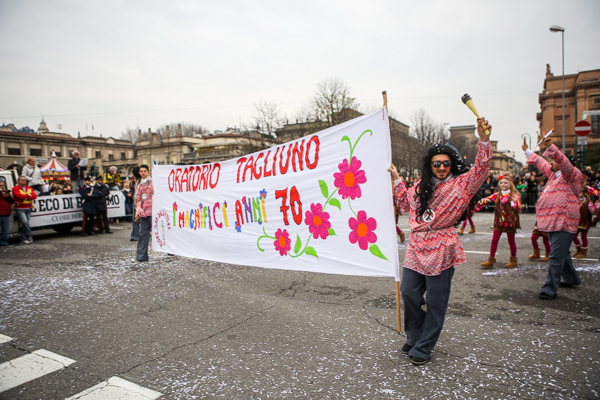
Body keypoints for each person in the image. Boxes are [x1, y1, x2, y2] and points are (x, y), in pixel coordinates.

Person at [389, 117, 492, 365]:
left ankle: (423, 346)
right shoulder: (419, 188)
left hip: (443, 247)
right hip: (416, 247)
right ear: (430, 165)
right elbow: (404, 200)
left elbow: (481, 168)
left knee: (436, 301)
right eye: (437, 163)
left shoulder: (461, 185)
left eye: (446, 163)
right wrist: (394, 176)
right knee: (409, 293)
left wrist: (484, 140)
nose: (442, 167)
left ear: (451, 165)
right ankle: (415, 335)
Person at [523, 133, 584, 300]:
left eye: (554, 161)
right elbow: (541, 163)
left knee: (556, 254)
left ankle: (550, 288)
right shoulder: (553, 175)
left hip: (565, 220)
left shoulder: (572, 175)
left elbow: (563, 163)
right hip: (551, 220)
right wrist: (527, 151)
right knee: (561, 253)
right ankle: (572, 278)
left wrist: (551, 148)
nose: (551, 163)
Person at [477, 175, 521, 268]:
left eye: (505, 183)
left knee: (511, 241)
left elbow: (519, 207)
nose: (503, 184)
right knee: (494, 241)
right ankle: (490, 261)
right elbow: (487, 199)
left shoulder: (514, 194)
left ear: (510, 184)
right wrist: (477, 203)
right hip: (499, 221)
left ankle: (513, 261)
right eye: (501, 183)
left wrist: (514, 202)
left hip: (510, 221)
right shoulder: (497, 194)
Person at [571, 186, 597, 259]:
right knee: (573, 236)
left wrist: (596, 208)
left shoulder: (588, 202)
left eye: (579, 192)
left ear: (584, 193)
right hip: (577, 222)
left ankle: (583, 252)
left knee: (583, 237)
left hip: (585, 223)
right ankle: (579, 250)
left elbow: (593, 211)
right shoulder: (577, 200)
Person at [135, 164, 153, 262]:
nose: (143, 173)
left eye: (144, 171)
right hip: (144, 213)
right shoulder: (139, 185)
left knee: (163, 232)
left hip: (153, 212)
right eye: (141, 171)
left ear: (148, 172)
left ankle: (171, 252)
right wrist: (139, 210)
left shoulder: (152, 183)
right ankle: (141, 256)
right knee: (143, 234)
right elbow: (138, 199)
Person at [12, 176, 37, 245]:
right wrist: (28, 196)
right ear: (18, 181)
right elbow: (17, 196)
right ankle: (29, 235)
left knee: (25, 224)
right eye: (22, 180)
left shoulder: (29, 188)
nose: (24, 181)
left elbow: (34, 196)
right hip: (20, 208)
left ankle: (23, 238)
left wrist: (26, 197)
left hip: (28, 207)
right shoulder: (15, 188)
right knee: (25, 223)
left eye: (25, 180)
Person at [0, 181, 14, 247]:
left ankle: (4, 242)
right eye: (0, 185)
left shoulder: (6, 192)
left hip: (6, 213)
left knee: (5, 230)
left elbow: (11, 201)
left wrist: (6, 196)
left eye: (2, 185)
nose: (2, 187)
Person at [130, 167, 141, 241]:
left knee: (136, 220)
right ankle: (136, 234)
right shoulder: (137, 181)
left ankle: (135, 235)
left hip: (138, 202)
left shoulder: (139, 181)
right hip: (137, 202)